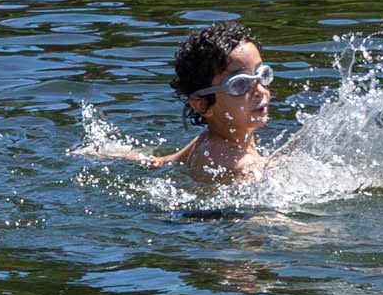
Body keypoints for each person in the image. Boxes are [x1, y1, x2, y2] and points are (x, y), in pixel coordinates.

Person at [93, 21, 278, 184]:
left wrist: (109, 154)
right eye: (240, 84)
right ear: (202, 105)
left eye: (263, 75)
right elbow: (261, 217)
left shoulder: (206, 141)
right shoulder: (243, 167)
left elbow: (159, 162)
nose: (260, 91)